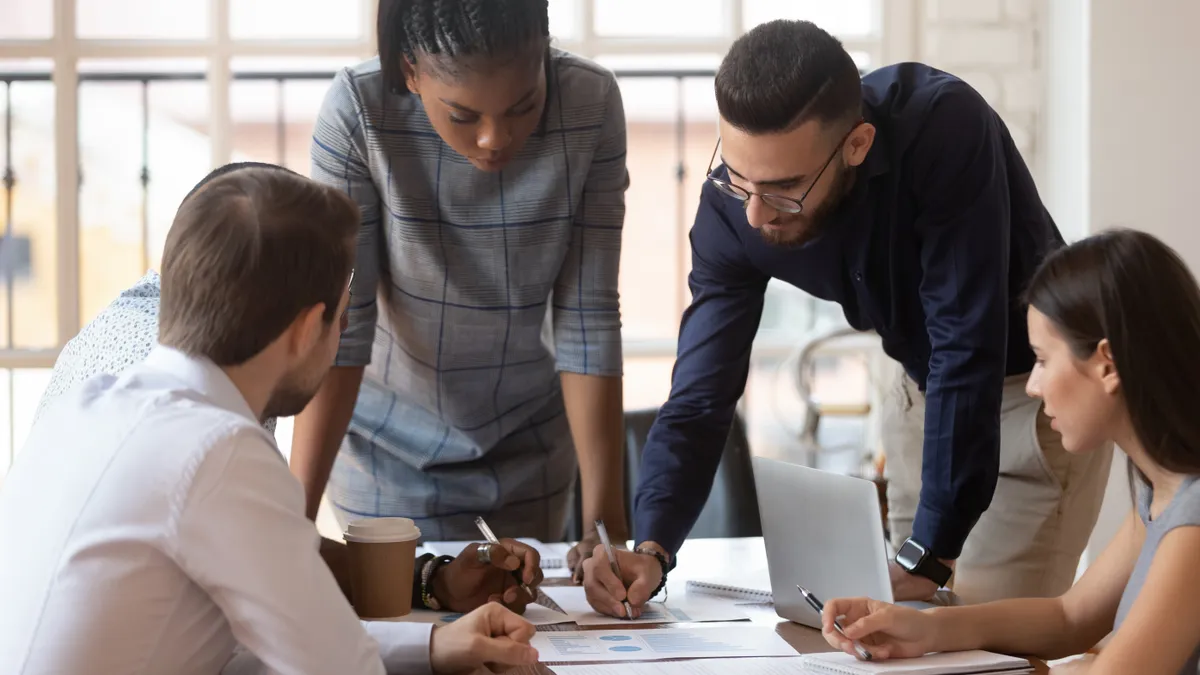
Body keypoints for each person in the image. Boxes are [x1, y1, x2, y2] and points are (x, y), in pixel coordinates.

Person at [582, 19, 1112, 615]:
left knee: (987, 642)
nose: (755, 215)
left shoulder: (943, 128)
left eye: (785, 189)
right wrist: (652, 547)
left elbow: (966, 343)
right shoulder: (732, 208)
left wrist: (930, 553)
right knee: (902, 638)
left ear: (856, 145)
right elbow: (700, 395)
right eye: (738, 176)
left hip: (1034, 403)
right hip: (919, 395)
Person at [0, 164, 539, 674]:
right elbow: (334, 664)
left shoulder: (94, 405)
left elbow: (268, 634)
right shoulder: (216, 447)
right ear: (308, 329)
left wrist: (434, 645)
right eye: (343, 321)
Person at [300, 0, 629, 568]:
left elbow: (587, 316)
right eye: (462, 116)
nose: (494, 139)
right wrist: (291, 519)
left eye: (524, 106)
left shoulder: (590, 104)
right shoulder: (358, 111)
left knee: (523, 636)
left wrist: (606, 531)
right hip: (387, 452)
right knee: (411, 631)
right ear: (411, 72)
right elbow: (343, 327)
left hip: (530, 446)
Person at [819, 229, 1200, 675]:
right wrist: (925, 629)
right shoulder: (1160, 485)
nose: (1033, 387)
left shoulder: (1192, 515)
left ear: (1107, 364)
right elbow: (1070, 617)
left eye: (1041, 359)